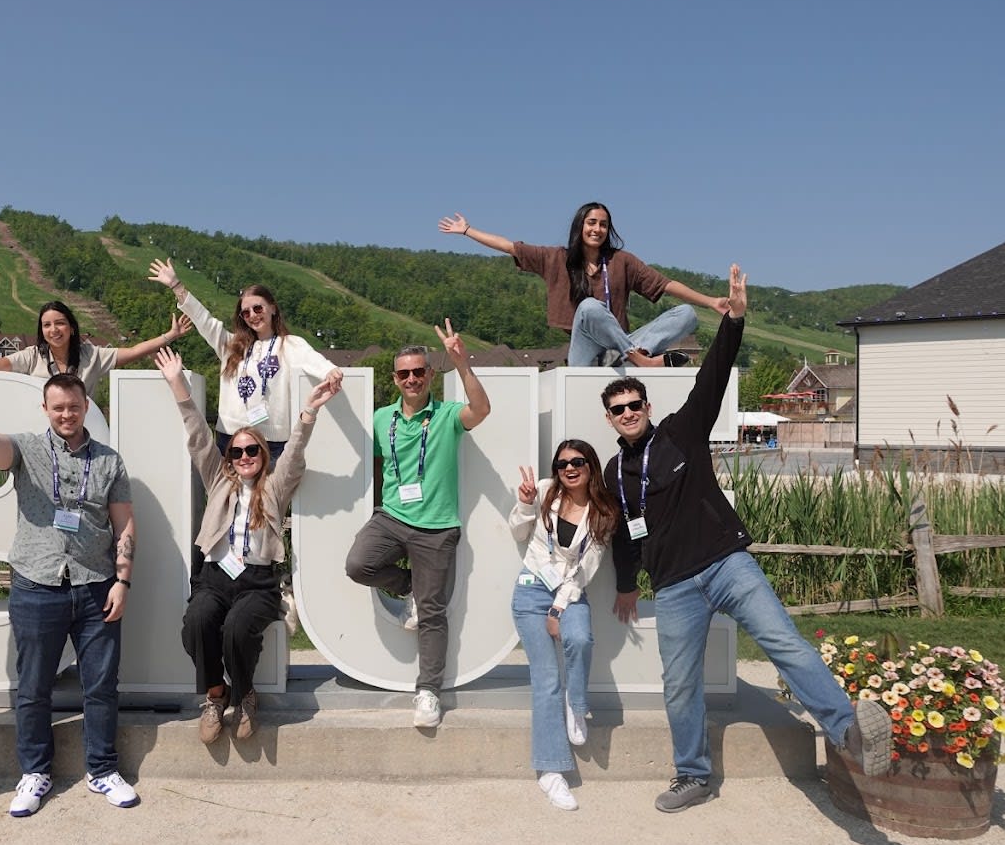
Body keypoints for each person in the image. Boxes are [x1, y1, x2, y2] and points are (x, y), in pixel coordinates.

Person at [601, 264, 893, 813]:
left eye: (635, 405)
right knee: (679, 684)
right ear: (610, 419)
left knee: (784, 643)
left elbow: (712, 374)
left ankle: (849, 731)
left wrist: (733, 319)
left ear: (647, 407)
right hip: (676, 587)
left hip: (726, 564)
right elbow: (624, 537)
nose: (628, 414)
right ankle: (692, 775)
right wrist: (625, 585)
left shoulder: (681, 430)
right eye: (618, 410)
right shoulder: (616, 474)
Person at [0, 350, 138, 817]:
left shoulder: (110, 462)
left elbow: (125, 527)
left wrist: (123, 582)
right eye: (58, 408)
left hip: (96, 587)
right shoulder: (26, 449)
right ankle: (34, 773)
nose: (66, 414)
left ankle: (102, 770)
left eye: (74, 406)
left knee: (101, 686)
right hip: (36, 585)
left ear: (85, 405)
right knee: (33, 687)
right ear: (46, 409)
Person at [154, 347, 338, 743]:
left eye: (251, 450)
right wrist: (178, 385)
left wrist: (309, 410)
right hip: (214, 576)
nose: (243, 456)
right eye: (236, 451)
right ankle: (216, 695)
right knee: (197, 623)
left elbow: (295, 450)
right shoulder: (218, 481)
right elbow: (199, 437)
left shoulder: (275, 486)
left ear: (261, 455)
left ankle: (246, 694)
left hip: (257, 580)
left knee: (238, 628)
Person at [344, 320, 491, 728]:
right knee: (358, 565)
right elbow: (360, 460)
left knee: (432, 613)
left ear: (430, 375)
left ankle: (428, 691)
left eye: (419, 371)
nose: (411, 378)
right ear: (394, 378)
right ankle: (408, 585)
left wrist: (462, 364)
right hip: (391, 518)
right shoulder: (381, 419)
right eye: (404, 373)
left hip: (438, 527)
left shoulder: (446, 416)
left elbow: (481, 410)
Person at [438, 204, 730, 367]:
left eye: (603, 224)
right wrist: (467, 231)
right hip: (584, 352)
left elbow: (665, 284)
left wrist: (710, 301)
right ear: (580, 226)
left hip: (619, 345)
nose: (597, 229)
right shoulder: (557, 258)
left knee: (686, 315)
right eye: (592, 222)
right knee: (589, 307)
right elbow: (510, 247)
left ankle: (628, 356)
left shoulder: (622, 261)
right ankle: (640, 359)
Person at [507, 441, 621, 811]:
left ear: (591, 466)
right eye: (562, 464)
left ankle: (578, 703)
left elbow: (587, 569)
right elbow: (518, 533)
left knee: (580, 638)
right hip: (530, 591)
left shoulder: (603, 511)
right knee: (546, 680)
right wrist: (525, 504)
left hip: (569, 592)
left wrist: (557, 610)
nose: (569, 469)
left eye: (577, 462)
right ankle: (551, 772)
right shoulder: (542, 491)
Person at [148, 259, 342, 458]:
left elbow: (313, 359)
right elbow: (204, 320)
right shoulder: (231, 346)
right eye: (246, 313)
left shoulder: (291, 344)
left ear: (273, 308)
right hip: (230, 439)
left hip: (272, 444)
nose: (252, 315)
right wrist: (176, 285)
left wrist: (329, 371)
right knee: (230, 491)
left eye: (258, 308)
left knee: (272, 491)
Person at [0, 299, 193, 398]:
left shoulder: (92, 355)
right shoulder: (33, 356)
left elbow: (135, 350)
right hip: (40, 430)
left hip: (81, 430)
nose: (53, 330)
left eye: (59, 323)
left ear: (71, 327)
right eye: (47, 325)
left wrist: (170, 335)